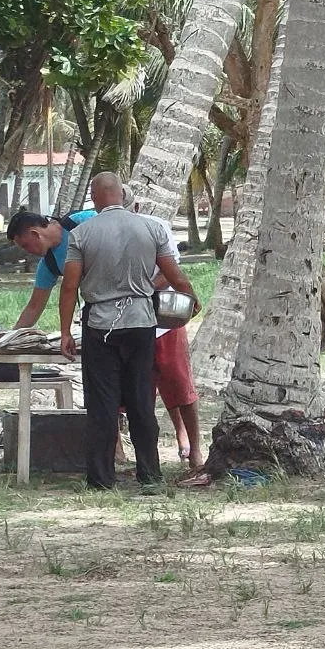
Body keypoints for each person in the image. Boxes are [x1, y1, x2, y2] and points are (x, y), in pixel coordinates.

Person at [58, 172, 200, 490]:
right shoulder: (150, 228)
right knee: (141, 400)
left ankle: (101, 478)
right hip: (140, 321)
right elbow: (174, 274)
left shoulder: (82, 234)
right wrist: (192, 300)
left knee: (103, 402)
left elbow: (69, 287)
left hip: (99, 325)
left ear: (94, 198)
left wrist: (65, 331)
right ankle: (149, 475)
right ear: (122, 194)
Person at [119, 184, 203, 470]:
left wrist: (138, 291)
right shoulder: (102, 232)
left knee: (177, 382)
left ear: (136, 209)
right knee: (128, 390)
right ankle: (126, 453)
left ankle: (193, 447)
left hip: (161, 321)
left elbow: (171, 274)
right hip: (123, 323)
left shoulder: (156, 228)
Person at [8, 209, 97, 329]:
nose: (27, 252)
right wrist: (9, 337)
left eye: (25, 245)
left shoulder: (81, 221)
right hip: (96, 310)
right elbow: (34, 308)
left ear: (35, 233)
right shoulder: (49, 264)